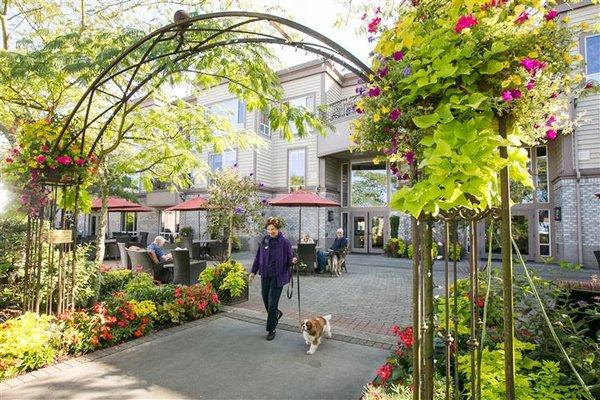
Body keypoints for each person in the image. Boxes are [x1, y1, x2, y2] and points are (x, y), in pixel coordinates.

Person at [249, 217, 296, 340]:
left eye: (273, 229)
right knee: (266, 299)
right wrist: (253, 272)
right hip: (265, 274)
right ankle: (276, 314)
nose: (271, 232)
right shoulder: (265, 240)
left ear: (278, 228)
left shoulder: (284, 242)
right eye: (268, 229)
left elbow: (290, 258)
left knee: (272, 302)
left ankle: (271, 329)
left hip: (278, 276)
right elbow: (258, 257)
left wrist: (293, 261)